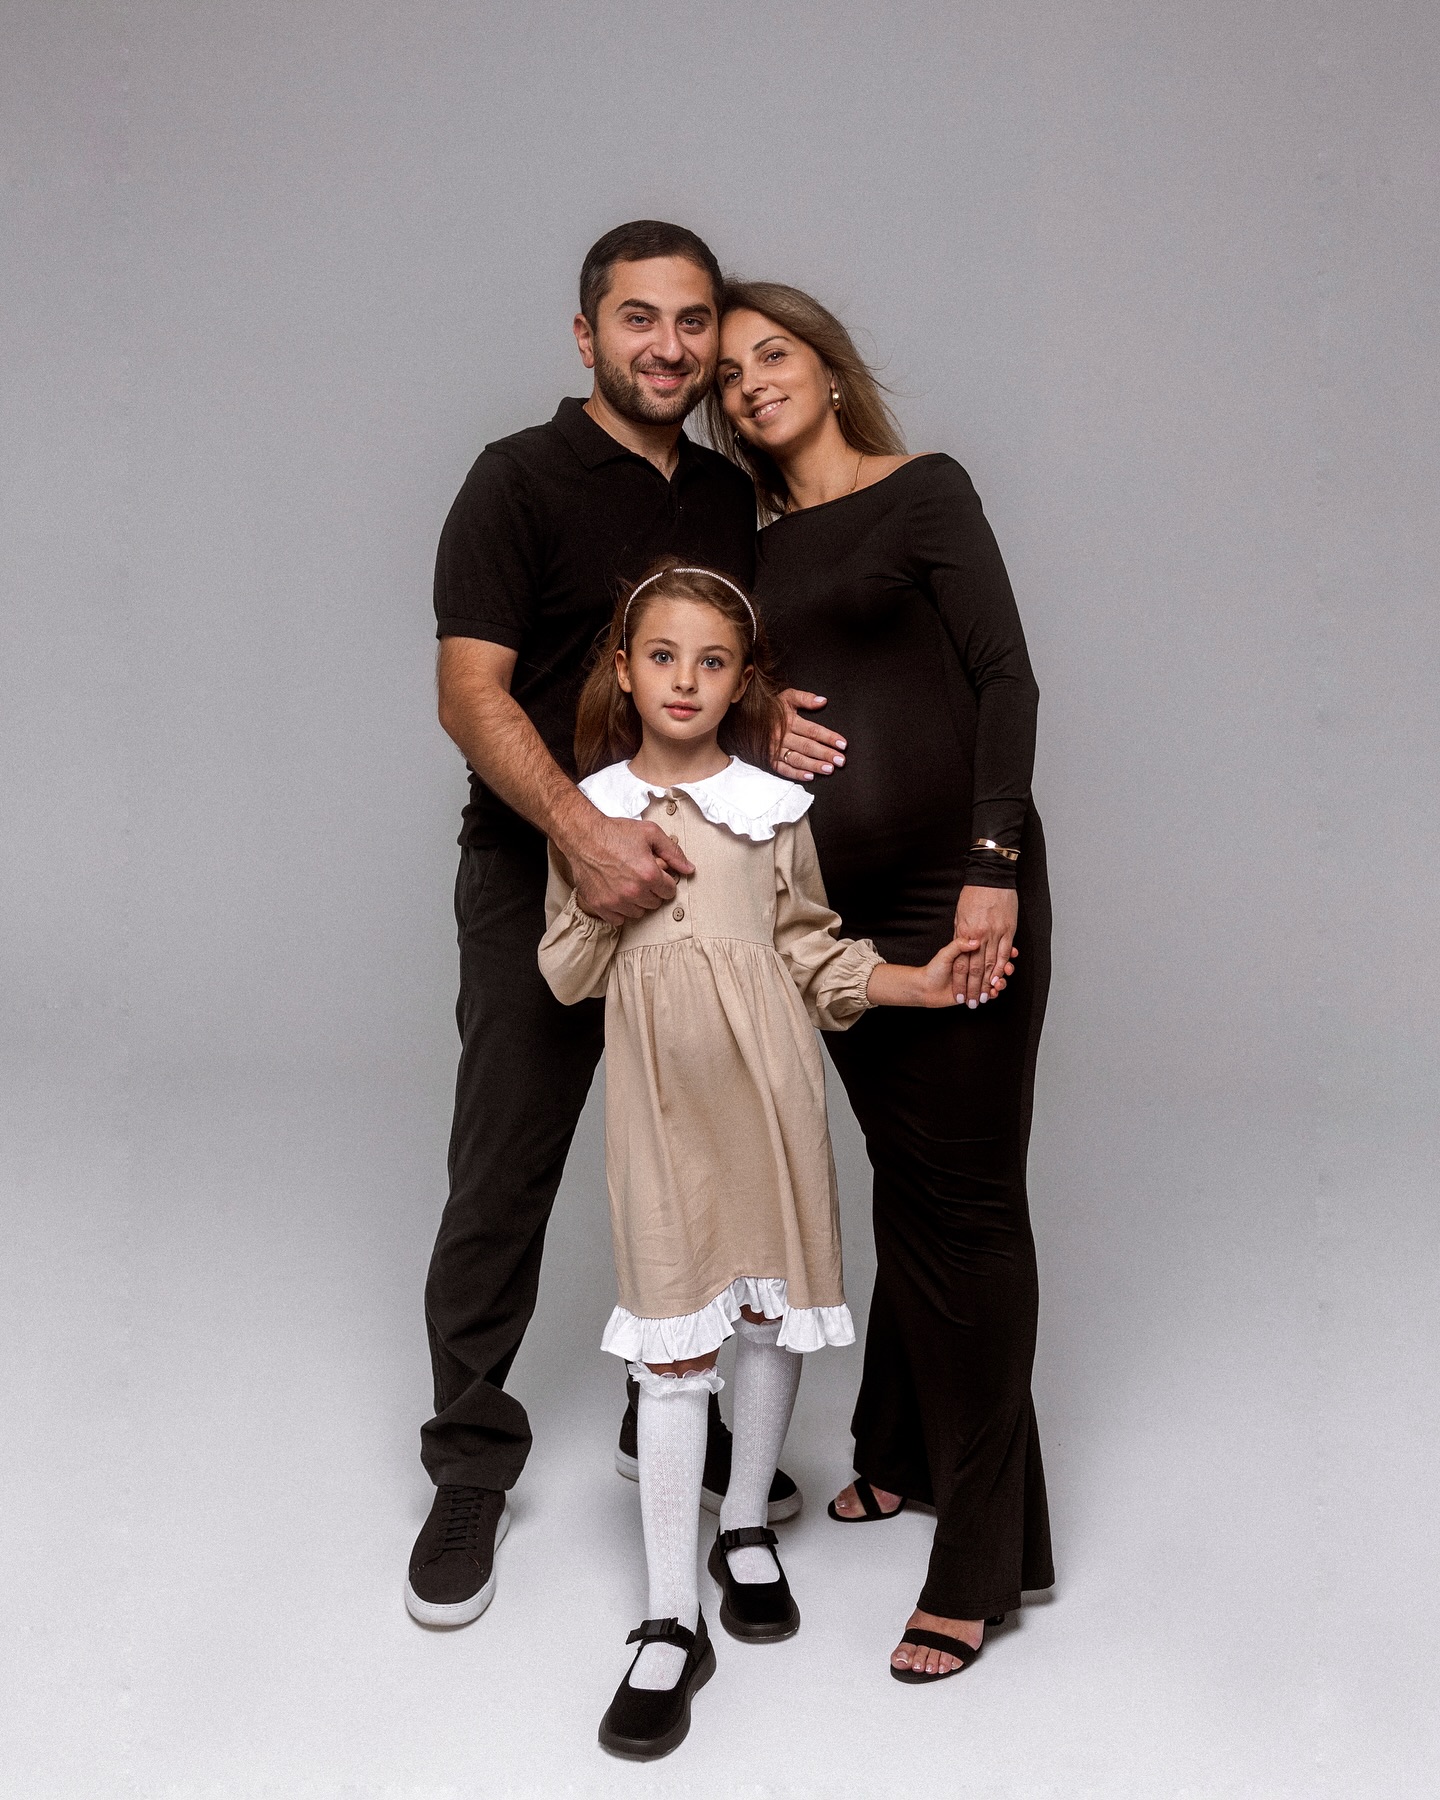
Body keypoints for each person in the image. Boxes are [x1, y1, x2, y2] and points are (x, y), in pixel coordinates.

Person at [407, 221, 806, 1631]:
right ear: (587, 335)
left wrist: (777, 722)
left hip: (699, 879)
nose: (670, 347)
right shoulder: (512, 480)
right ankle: (470, 1463)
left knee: (700, 1156)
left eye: (693, 321)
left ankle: (667, 1413)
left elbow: (727, 664)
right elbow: (470, 691)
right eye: (639, 318)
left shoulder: (728, 495)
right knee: (504, 1170)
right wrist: (582, 835)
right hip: (542, 874)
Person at [538, 559, 985, 1757]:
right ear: (624, 671)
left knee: (770, 1316)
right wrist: (610, 883)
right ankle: (668, 1619)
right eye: (662, 656)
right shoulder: (588, 808)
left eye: (713, 661)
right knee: (673, 1344)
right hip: (660, 1109)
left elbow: (812, 955)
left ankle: (744, 1525)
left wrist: (912, 982)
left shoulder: (773, 808)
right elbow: (566, 972)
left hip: (772, 1097)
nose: (685, 680)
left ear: (744, 682)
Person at [708, 280, 1055, 1682]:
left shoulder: (923, 492)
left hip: (954, 890)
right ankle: (902, 1450)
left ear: (829, 366)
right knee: (906, 1184)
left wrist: (993, 863)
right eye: (729, 376)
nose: (750, 383)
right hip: (832, 914)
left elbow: (1007, 681)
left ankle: (985, 1557)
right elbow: (692, 691)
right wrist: (750, 709)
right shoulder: (745, 548)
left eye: (772, 354)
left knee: (970, 1206)